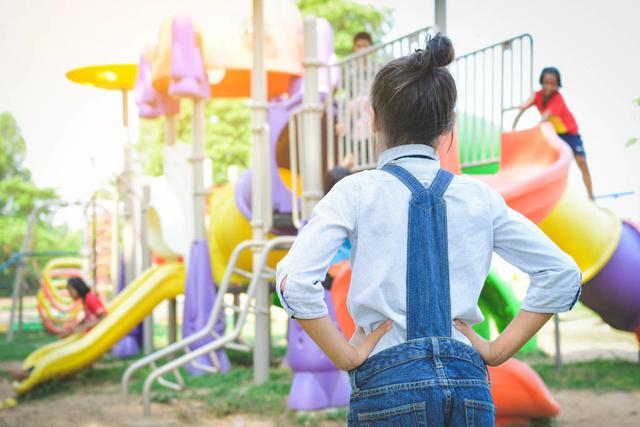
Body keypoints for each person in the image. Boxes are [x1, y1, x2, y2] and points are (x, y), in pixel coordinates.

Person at [276, 34, 581, 426]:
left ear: (372, 117)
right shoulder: (479, 198)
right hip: (469, 385)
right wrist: (497, 350)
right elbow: (561, 274)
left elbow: (294, 282)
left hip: (387, 385)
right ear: (449, 125)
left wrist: (345, 355)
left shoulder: (354, 192)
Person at [512, 67, 594, 199]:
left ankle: (591, 196)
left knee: (581, 162)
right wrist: (513, 127)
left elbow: (545, 118)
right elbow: (523, 108)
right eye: (546, 82)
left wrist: (532, 133)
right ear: (542, 82)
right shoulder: (538, 95)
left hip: (570, 134)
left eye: (553, 83)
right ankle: (546, 192)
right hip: (555, 134)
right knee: (546, 161)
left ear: (557, 85)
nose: (549, 86)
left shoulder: (557, 99)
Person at [6, 278, 107, 382]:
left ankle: (31, 373)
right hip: (86, 338)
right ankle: (30, 371)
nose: (69, 293)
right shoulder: (86, 299)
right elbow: (89, 318)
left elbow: (103, 317)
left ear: (78, 288)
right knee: (54, 350)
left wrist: (82, 327)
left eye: (70, 290)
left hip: (90, 340)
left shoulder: (90, 298)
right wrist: (73, 328)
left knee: (59, 353)